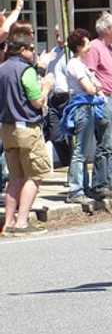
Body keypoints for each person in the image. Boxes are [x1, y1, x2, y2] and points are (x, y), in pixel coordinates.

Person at [0, 32, 54, 236]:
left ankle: (8, 222)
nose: (33, 52)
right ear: (22, 50)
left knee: (15, 177)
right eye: (31, 48)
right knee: (35, 175)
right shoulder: (25, 71)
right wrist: (47, 86)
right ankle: (22, 222)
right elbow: (37, 101)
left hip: (6, 128)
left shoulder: (2, 69)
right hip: (27, 128)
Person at [84, 12, 112, 200]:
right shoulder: (95, 47)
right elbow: (90, 74)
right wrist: (99, 94)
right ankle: (100, 185)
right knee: (105, 143)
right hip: (105, 99)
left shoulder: (110, 48)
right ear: (106, 29)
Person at [63, 29, 104, 204]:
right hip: (81, 108)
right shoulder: (75, 64)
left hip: (88, 107)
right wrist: (96, 89)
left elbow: (98, 84)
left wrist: (96, 87)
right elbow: (90, 87)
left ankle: (83, 187)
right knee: (79, 151)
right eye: (87, 43)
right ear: (79, 46)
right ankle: (75, 190)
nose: (90, 47)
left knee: (84, 151)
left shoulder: (82, 65)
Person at [44, 27, 72, 168]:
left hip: (69, 97)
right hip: (54, 98)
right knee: (55, 135)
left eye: (60, 33)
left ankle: (73, 172)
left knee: (72, 136)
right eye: (56, 34)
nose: (57, 36)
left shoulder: (71, 53)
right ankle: (67, 163)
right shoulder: (53, 52)